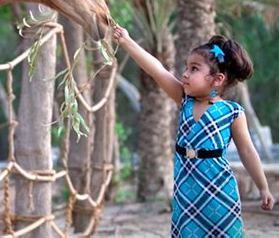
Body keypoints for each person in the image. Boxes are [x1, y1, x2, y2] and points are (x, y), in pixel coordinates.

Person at [112, 25, 275, 237]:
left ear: (217, 80)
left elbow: (247, 151)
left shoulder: (233, 113)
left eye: (194, 69)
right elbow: (157, 69)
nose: (185, 74)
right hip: (186, 193)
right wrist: (126, 41)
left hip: (219, 192)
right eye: (186, 67)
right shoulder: (184, 99)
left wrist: (263, 187)